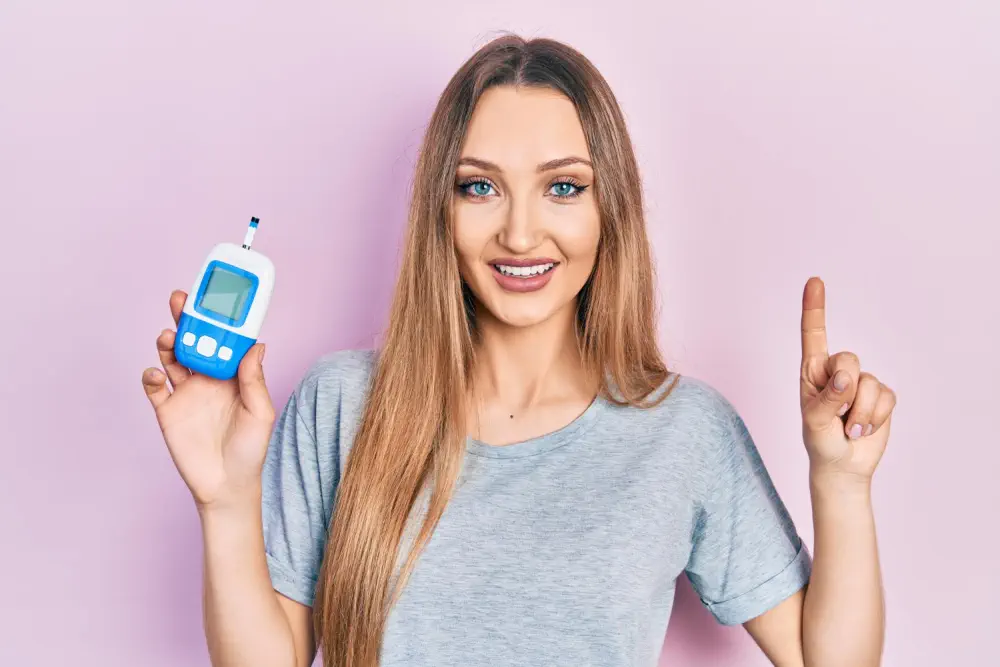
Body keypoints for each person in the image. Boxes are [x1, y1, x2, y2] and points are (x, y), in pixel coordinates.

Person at [141, 35, 896, 667]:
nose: (521, 234)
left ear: (612, 210)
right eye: (480, 188)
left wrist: (841, 482)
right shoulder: (341, 403)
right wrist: (224, 498)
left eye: (563, 188)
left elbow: (826, 659)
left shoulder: (685, 431)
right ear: (441, 208)